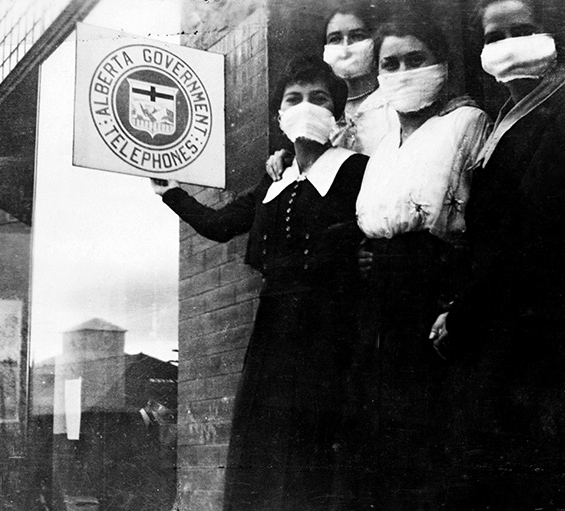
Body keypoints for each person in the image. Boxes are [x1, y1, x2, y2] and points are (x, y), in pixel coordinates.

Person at [151, 55, 368, 511]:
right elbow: (218, 224)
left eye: (319, 98)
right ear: (279, 116)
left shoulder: (357, 170)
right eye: (294, 99)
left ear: (338, 114)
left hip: (333, 323)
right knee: (269, 442)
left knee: (320, 440)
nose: (305, 106)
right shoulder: (274, 179)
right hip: (274, 326)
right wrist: (168, 188)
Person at [430, 0, 565, 508]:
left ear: (551, 35)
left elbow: (533, 232)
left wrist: (464, 312)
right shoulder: (501, 119)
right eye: (495, 36)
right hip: (509, 324)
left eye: (523, 29)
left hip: (550, 326)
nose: (508, 43)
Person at [344, 15, 491, 510]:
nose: (403, 72)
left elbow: (484, 223)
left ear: (442, 67)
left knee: (432, 436)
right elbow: (371, 221)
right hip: (380, 304)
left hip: (433, 295)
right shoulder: (383, 147)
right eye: (390, 64)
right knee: (379, 437)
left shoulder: (465, 125)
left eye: (416, 60)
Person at [265, 2, 397, 180]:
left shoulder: (395, 105)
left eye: (357, 36)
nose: (345, 47)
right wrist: (291, 162)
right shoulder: (318, 112)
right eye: (335, 39)